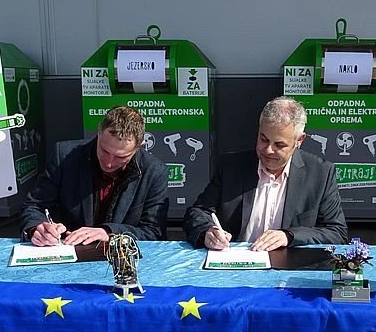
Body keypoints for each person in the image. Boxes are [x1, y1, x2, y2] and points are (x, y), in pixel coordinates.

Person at [184, 96, 347, 251]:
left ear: (299, 140)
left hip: (289, 263)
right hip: (235, 260)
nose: (268, 150)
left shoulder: (320, 173)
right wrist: (208, 232)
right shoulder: (231, 166)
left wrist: (289, 236)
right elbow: (198, 213)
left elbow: (336, 232)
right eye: (264, 139)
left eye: (279, 145)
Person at [21, 106, 168, 246]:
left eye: (121, 157)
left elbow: (154, 232)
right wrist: (37, 228)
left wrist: (109, 232)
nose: (109, 163)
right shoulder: (65, 156)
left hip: (123, 256)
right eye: (104, 151)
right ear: (98, 133)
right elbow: (35, 206)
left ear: (139, 147)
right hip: (69, 249)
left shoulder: (153, 171)